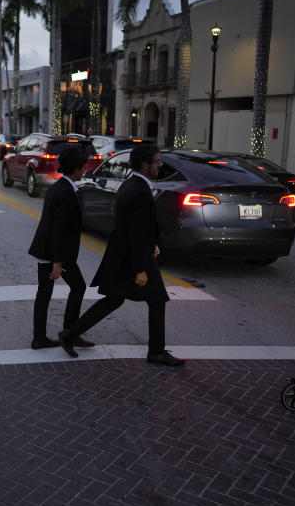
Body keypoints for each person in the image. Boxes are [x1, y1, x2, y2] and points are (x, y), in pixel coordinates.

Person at [58, 144, 185, 367]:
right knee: (157, 300)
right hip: (133, 258)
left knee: (114, 299)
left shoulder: (131, 185)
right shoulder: (139, 191)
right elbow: (135, 233)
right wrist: (140, 269)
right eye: (157, 162)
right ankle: (156, 352)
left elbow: (135, 228)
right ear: (145, 165)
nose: (160, 165)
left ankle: (70, 334)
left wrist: (152, 244)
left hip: (123, 256)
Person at [28, 146, 95, 354]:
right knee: (78, 287)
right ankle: (70, 333)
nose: (84, 170)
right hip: (55, 253)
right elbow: (59, 229)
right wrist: (57, 263)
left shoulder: (59, 186)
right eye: (82, 167)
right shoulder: (66, 191)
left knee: (44, 293)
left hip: (46, 249)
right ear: (74, 169)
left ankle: (40, 337)